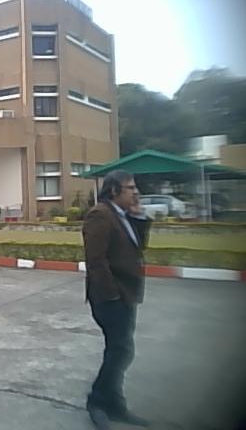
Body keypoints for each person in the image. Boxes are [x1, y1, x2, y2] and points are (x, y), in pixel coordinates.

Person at [82, 170, 152, 430]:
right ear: (113, 191)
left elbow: (137, 248)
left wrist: (138, 216)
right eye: (130, 188)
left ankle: (114, 404)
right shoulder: (100, 214)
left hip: (126, 295)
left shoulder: (121, 215)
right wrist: (112, 295)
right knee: (121, 350)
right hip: (110, 298)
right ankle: (98, 402)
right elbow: (95, 260)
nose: (136, 192)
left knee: (120, 350)